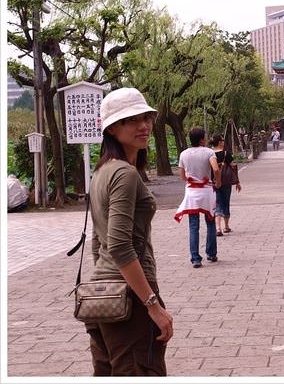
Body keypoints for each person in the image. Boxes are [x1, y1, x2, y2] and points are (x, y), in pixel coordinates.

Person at [87, 87, 173, 376]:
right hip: (130, 299)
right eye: (131, 120)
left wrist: (102, 285)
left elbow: (98, 244)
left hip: (103, 297)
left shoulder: (101, 172)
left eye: (146, 118)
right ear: (112, 128)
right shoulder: (124, 174)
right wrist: (152, 304)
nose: (143, 126)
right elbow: (120, 245)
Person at [175, 128, 221, 266]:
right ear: (202, 139)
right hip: (206, 191)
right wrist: (218, 181)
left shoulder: (184, 154)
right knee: (211, 222)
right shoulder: (209, 152)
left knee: (193, 225)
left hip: (192, 193)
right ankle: (211, 254)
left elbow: (182, 176)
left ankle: (195, 258)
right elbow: (216, 169)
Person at [210, 134, 242, 236]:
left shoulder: (210, 154)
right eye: (222, 140)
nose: (224, 142)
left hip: (214, 181)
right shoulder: (226, 153)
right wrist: (237, 181)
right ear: (219, 142)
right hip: (226, 182)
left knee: (217, 203)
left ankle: (218, 228)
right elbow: (233, 166)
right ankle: (226, 226)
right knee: (225, 202)